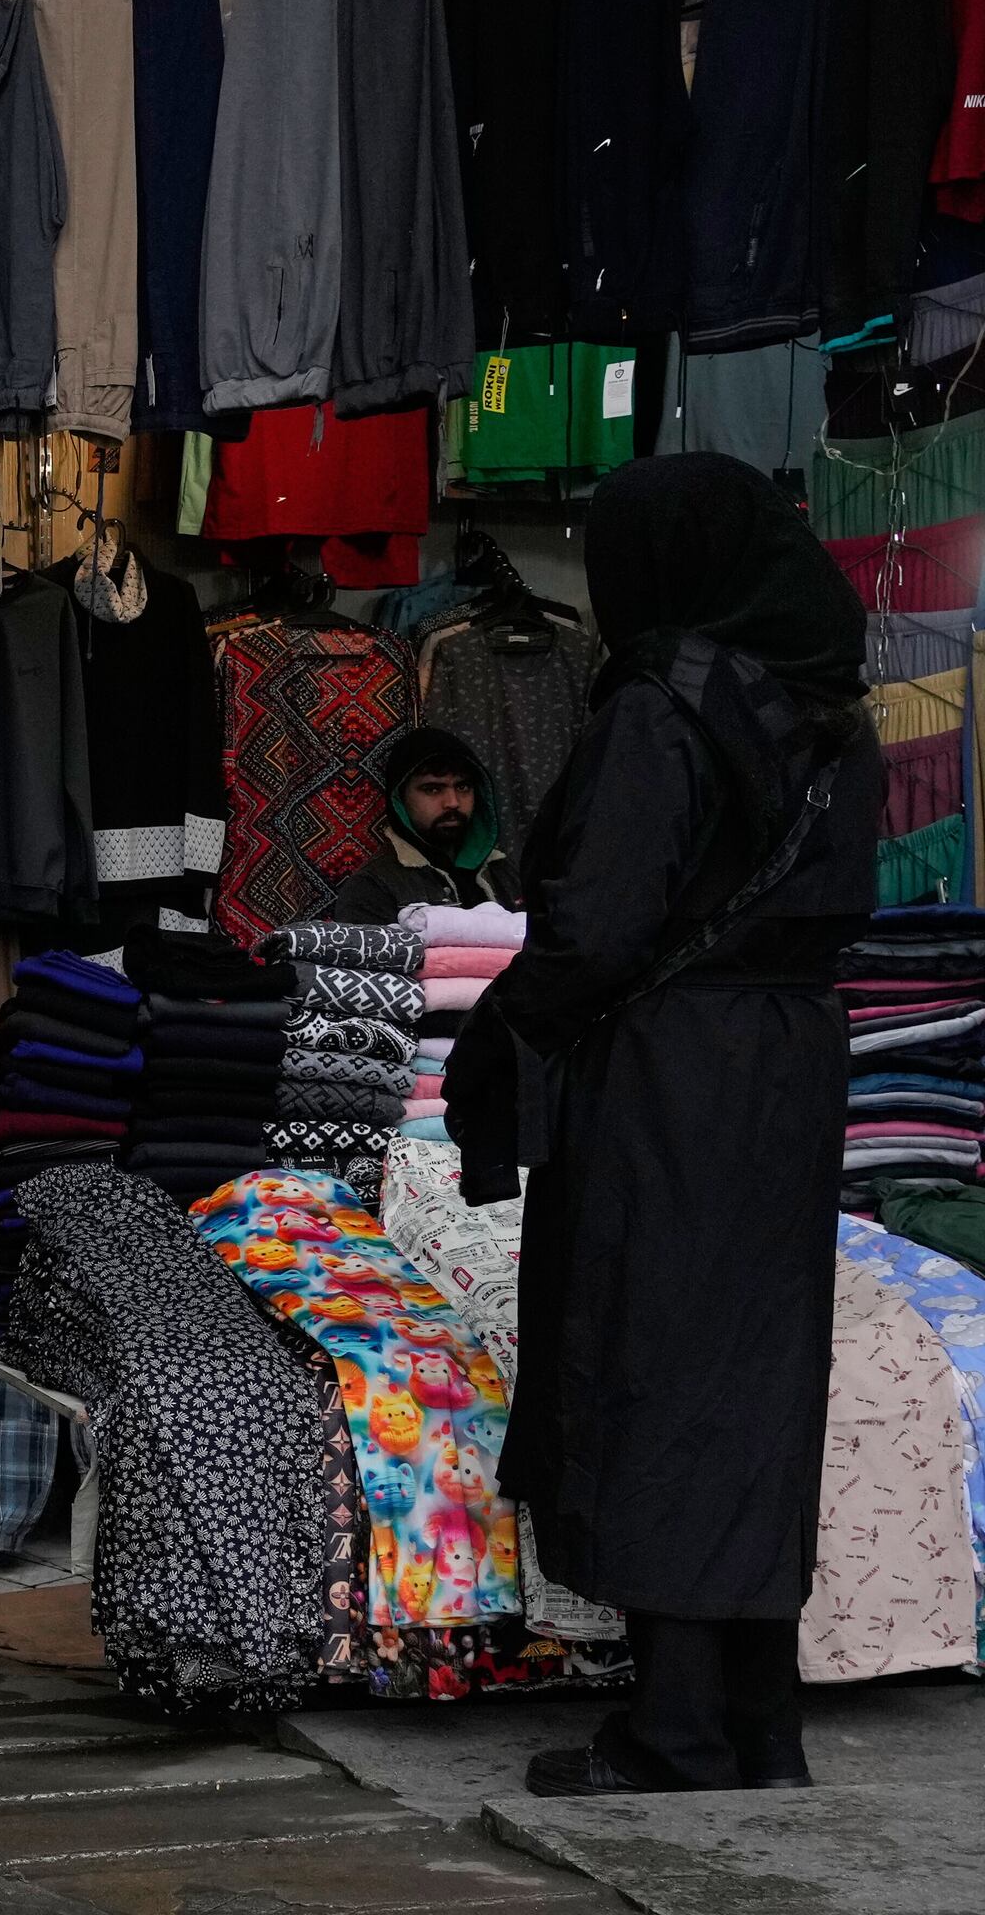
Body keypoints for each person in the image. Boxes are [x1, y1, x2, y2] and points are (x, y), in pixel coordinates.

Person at [443, 454, 880, 1800]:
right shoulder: (828, 702)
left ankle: (675, 1730)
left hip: (671, 1065)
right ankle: (759, 1720)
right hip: (791, 1063)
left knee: (654, 1365)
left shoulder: (664, 699)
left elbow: (600, 923)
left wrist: (500, 1040)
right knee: (754, 1378)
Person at [320, 725, 523, 922]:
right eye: (433, 789)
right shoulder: (373, 887)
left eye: (463, 786)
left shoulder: (503, 873)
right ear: (400, 798)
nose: (452, 802)